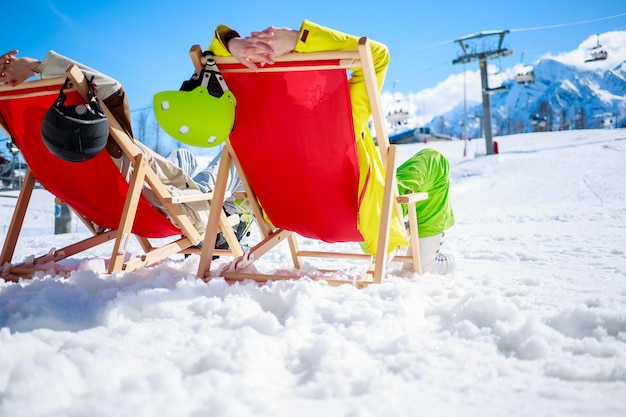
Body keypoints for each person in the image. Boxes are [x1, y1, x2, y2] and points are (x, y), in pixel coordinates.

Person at [208, 21, 455, 274]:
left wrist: (233, 45)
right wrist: (299, 39)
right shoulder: (338, 115)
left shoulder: (249, 118)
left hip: (285, 214)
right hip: (361, 218)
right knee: (434, 160)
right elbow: (377, 55)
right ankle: (424, 260)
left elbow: (208, 60)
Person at [0, 49, 253, 247]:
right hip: (181, 208)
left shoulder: (41, 144)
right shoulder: (106, 146)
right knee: (232, 155)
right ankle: (231, 209)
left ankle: (223, 200)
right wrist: (35, 66)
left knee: (182, 156)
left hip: (116, 206)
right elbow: (111, 89)